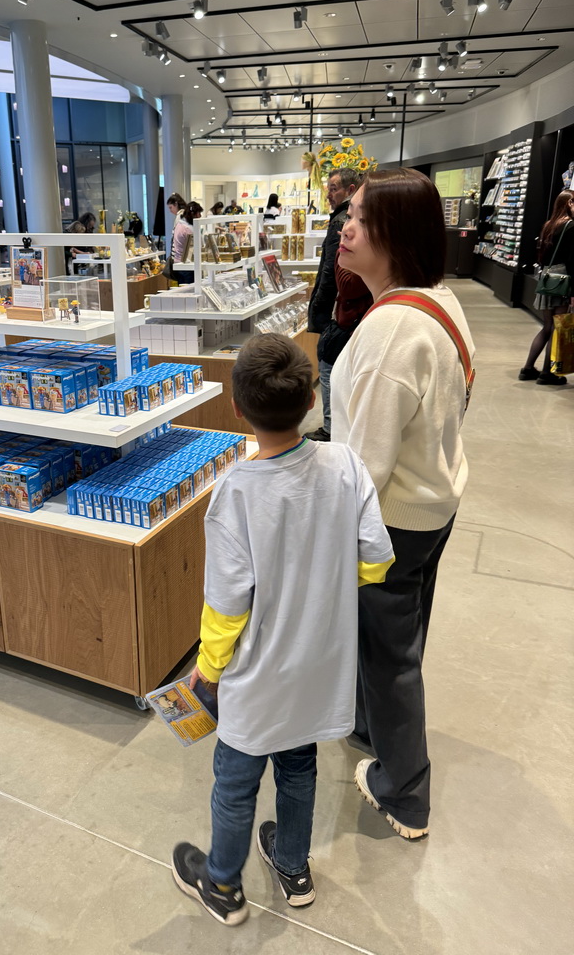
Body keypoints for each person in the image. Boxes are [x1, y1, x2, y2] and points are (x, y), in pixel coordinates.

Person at [171, 334, 394, 926]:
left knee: (236, 780)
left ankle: (221, 883)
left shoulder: (236, 493)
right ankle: (293, 866)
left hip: (256, 675)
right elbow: (376, 559)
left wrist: (208, 670)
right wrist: (321, 589)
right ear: (313, 398)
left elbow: (226, 606)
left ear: (237, 409)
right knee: (299, 766)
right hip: (317, 665)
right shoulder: (346, 463)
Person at [330, 168, 476, 840]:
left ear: (396, 234)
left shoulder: (389, 330)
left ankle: (404, 794)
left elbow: (364, 464)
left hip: (389, 520)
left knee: (392, 657)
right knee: (400, 636)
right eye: (348, 213)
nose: (345, 226)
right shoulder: (441, 303)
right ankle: (371, 731)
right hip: (431, 503)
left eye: (360, 217)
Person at [306, 168, 362, 441]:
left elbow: (331, 272)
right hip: (348, 311)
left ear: (351, 190)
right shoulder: (346, 220)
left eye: (334, 187)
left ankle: (330, 429)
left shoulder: (340, 222)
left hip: (343, 314)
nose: (329, 193)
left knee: (328, 364)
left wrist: (318, 312)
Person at [518, 189, 574, 385]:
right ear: (570, 203)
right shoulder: (570, 226)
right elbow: (571, 259)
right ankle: (547, 373)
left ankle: (527, 368)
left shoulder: (549, 225)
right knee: (558, 327)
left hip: (547, 278)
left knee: (547, 326)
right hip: (563, 280)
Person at [172, 201, 203, 282]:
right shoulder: (188, 230)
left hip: (179, 262)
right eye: (199, 213)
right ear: (193, 214)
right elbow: (199, 245)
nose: (200, 216)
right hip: (186, 264)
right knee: (190, 290)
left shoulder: (179, 224)